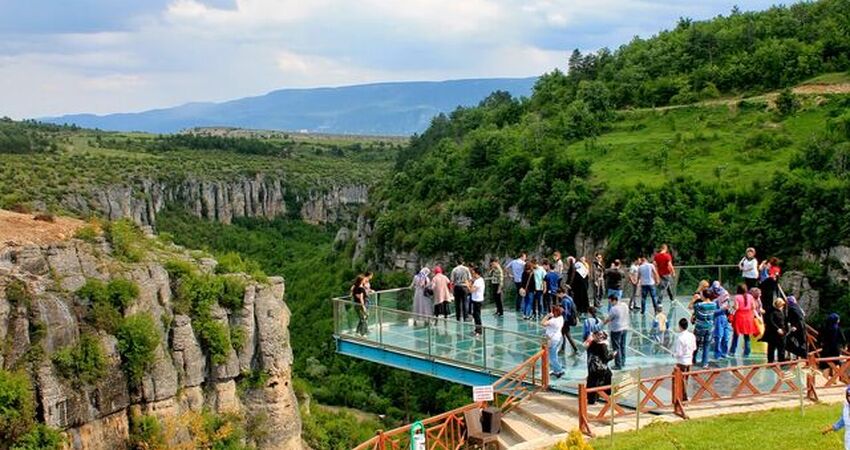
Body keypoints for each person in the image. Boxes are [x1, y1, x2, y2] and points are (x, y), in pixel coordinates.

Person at [584, 329, 614, 405]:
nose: (600, 336)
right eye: (599, 335)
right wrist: (613, 355)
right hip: (599, 368)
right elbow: (606, 358)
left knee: (592, 381)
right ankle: (606, 396)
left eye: (601, 335)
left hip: (591, 366)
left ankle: (592, 399)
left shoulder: (591, 344)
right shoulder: (602, 345)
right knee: (607, 377)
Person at [730, 284, 758, 357]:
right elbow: (754, 307)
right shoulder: (750, 297)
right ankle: (747, 352)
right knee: (747, 336)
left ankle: (732, 351)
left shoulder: (736, 297)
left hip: (739, 317)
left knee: (736, 335)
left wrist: (731, 308)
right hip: (748, 317)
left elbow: (736, 307)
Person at [673, 318, 697, 401]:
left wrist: (674, 354)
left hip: (681, 362)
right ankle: (683, 396)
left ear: (680, 326)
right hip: (689, 361)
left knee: (680, 381)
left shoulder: (679, 338)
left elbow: (679, 353)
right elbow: (694, 348)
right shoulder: (692, 335)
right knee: (685, 380)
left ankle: (683, 397)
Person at [604, 294, 629, 370]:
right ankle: (623, 362)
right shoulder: (624, 305)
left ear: (614, 300)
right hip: (625, 327)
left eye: (610, 302)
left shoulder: (614, 309)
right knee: (622, 345)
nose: (610, 303)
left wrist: (602, 323)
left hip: (616, 329)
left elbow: (609, 319)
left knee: (616, 347)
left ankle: (618, 364)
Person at [693, 293, 718, 368]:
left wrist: (694, 299)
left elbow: (692, 307)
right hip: (709, 327)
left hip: (699, 327)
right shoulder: (714, 304)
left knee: (696, 343)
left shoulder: (699, 305)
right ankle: (705, 363)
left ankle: (693, 360)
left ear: (703, 296)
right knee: (706, 345)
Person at [709, 281, 732, 359]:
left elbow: (728, 307)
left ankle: (724, 353)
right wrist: (721, 309)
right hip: (718, 318)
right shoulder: (713, 300)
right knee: (718, 337)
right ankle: (717, 354)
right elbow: (712, 312)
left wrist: (728, 311)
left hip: (725, 318)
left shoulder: (725, 296)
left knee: (726, 337)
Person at [543, 306, 566, 378]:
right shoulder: (561, 318)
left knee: (552, 357)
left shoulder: (553, 321)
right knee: (554, 355)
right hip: (558, 338)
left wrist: (547, 316)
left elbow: (542, 323)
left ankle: (559, 370)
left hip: (552, 339)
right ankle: (556, 370)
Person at [764, 297, 789, 363]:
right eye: (782, 305)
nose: (783, 306)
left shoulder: (782, 312)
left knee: (781, 349)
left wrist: (786, 330)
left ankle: (781, 362)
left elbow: (785, 322)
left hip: (782, 333)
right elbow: (770, 321)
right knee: (771, 349)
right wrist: (777, 329)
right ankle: (770, 363)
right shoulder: (772, 311)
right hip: (773, 334)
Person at [558, 288, 580, 355]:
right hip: (570, 319)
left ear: (561, 293)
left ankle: (576, 349)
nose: (558, 296)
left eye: (558, 294)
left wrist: (563, 320)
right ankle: (563, 348)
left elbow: (566, 312)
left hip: (566, 320)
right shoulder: (569, 298)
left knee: (567, 335)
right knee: (563, 334)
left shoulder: (564, 301)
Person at [468, 266, 485, 336]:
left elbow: (471, 290)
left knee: (477, 315)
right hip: (476, 299)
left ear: (476, 273)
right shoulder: (478, 280)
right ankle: (477, 329)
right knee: (475, 315)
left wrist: (467, 284)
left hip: (478, 300)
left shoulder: (478, 281)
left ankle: (479, 331)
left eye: (473, 273)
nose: (472, 274)